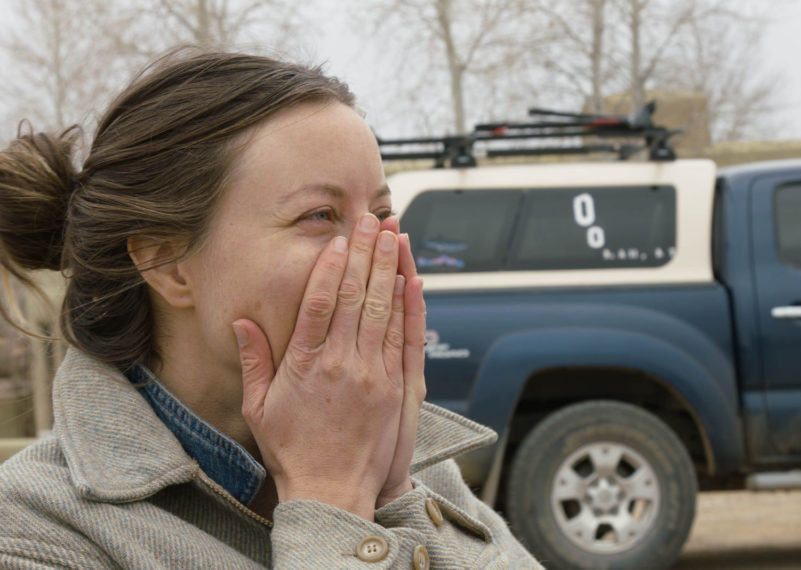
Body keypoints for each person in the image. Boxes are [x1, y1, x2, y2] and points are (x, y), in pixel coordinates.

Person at [0, 49, 543, 569]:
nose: (375, 252)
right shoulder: (30, 526)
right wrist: (333, 498)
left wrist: (392, 491)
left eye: (381, 213)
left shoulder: (395, 453)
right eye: (321, 215)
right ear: (167, 262)